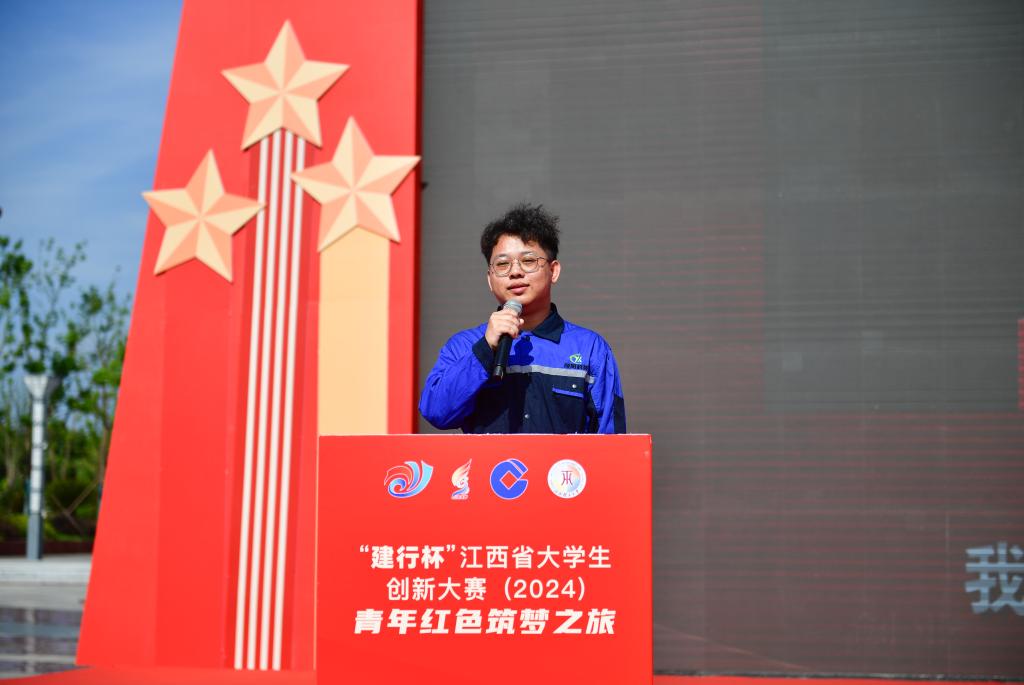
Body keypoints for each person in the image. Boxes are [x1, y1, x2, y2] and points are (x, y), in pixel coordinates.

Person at [419, 203, 626, 434]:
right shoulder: (464, 346)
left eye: (528, 261)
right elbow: (436, 412)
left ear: (553, 271)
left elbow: (612, 438)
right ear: (489, 279)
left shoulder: (590, 348)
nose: (515, 272)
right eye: (502, 264)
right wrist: (485, 350)